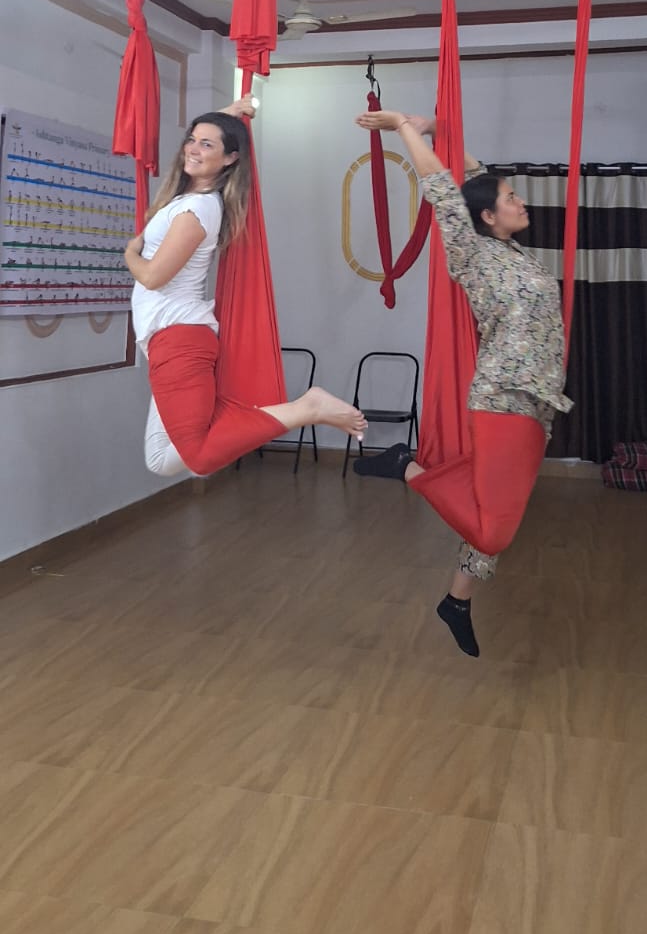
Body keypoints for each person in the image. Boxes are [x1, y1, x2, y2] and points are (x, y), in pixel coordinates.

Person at [353, 109, 571, 658]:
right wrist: (406, 129)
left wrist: (447, 136)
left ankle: (457, 601)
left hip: (536, 402)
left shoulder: (512, 253)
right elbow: (446, 193)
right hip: (502, 398)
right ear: (488, 217)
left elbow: (474, 181)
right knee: (494, 529)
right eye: (511, 198)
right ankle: (407, 464)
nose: (521, 202)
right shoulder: (472, 252)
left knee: (497, 516)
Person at [125, 98, 366, 478]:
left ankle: (309, 408)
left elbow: (154, 276)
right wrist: (228, 115)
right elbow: (204, 149)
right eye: (192, 139)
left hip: (178, 339)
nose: (193, 147)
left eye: (207, 144)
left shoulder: (199, 209)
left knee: (199, 458)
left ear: (230, 159)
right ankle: (285, 411)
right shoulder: (184, 199)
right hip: (168, 338)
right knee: (160, 457)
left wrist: (128, 254)